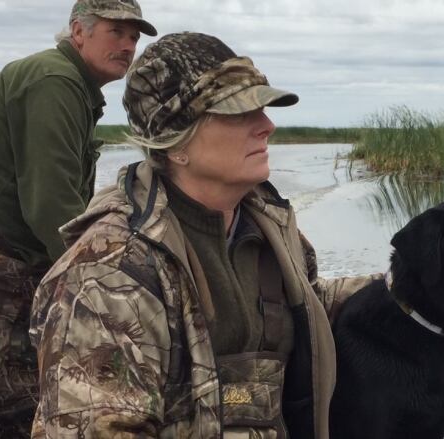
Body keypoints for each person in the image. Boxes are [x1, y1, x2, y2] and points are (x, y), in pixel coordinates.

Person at [29, 32, 379, 438]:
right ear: (174, 142)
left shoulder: (268, 226)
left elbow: (306, 302)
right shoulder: (108, 273)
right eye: (238, 114)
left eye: (262, 109)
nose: (267, 126)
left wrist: (407, 285)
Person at [0, 1, 156, 437]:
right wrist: (106, 292)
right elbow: (51, 207)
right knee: (2, 415)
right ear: (78, 32)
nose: (128, 45)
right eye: (116, 32)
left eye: (134, 36)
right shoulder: (56, 81)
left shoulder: (69, 83)